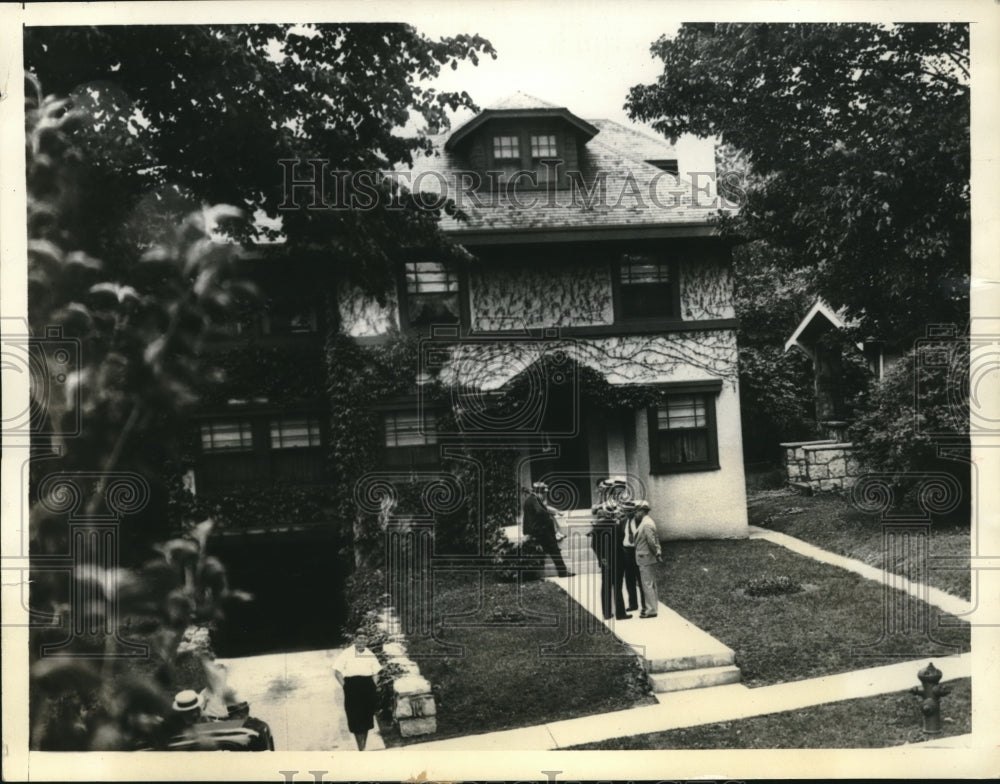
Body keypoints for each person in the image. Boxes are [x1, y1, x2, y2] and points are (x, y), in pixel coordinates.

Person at [332, 632, 382, 750]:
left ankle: (362, 747)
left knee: (366, 717)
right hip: (352, 687)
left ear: (367, 641)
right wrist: (345, 686)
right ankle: (361, 748)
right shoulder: (346, 653)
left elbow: (376, 672)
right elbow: (337, 672)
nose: (362, 641)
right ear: (355, 639)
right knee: (355, 717)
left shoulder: (370, 654)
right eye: (359, 638)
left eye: (364, 639)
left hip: (367, 687)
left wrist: (373, 685)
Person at [522, 482, 573, 578]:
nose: (545, 495)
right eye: (543, 493)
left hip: (540, 530)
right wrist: (547, 513)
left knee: (553, 550)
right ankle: (562, 572)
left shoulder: (533, 499)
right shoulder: (534, 500)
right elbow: (540, 511)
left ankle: (562, 572)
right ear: (539, 492)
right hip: (540, 530)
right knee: (554, 550)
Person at [632, 500, 662, 618]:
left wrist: (656, 553)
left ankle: (651, 610)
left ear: (642, 511)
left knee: (647, 584)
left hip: (645, 557)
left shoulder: (647, 523)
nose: (635, 513)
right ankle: (652, 608)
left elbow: (652, 541)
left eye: (637, 511)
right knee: (649, 583)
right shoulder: (646, 522)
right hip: (645, 557)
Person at [619, 501, 645, 614]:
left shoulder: (640, 522)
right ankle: (633, 604)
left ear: (634, 511)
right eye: (626, 511)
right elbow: (621, 536)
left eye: (630, 511)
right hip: (626, 552)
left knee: (641, 579)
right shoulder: (623, 521)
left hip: (637, 551)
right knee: (629, 580)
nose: (627, 513)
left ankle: (645, 605)